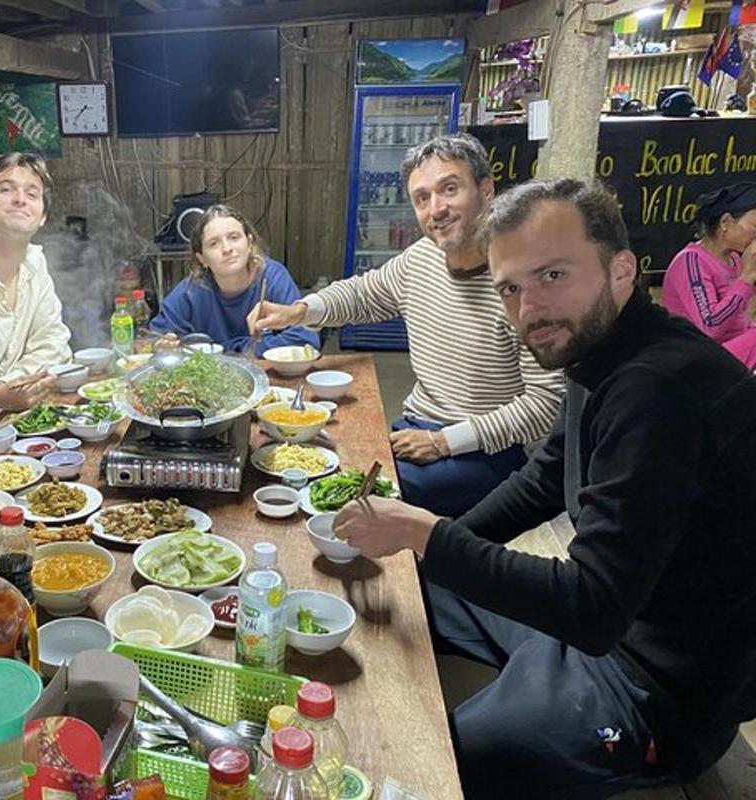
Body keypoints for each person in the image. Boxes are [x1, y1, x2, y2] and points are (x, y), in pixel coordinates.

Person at [334, 179, 756, 798]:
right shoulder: (603, 350)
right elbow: (544, 479)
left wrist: (428, 534)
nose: (529, 308)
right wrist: (434, 547)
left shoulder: (658, 390)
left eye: (552, 275)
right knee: (406, 586)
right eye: (510, 288)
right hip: (597, 629)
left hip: (654, 688)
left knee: (432, 765)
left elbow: (591, 608)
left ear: (621, 270)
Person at [250, 134, 564, 517]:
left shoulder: (524, 283)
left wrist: (444, 441)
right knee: (327, 453)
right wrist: (297, 311)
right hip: (418, 424)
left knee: (357, 496)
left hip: (491, 450)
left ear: (486, 190)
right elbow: (362, 294)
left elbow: (546, 404)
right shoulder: (422, 258)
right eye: (422, 198)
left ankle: (430, 552)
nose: (437, 209)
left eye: (450, 189)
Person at [0, 153, 72, 411]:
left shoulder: (35, 264)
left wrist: (9, 388)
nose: (20, 199)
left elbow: (53, 342)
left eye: (32, 194)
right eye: (6, 189)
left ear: (42, 216)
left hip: (11, 419)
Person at [149, 204, 319, 356]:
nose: (227, 248)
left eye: (234, 237)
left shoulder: (272, 278)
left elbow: (304, 339)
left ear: (249, 243)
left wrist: (232, 350)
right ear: (202, 259)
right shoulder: (190, 292)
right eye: (214, 243)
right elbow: (152, 338)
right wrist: (161, 345)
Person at [661, 182, 756, 369]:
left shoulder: (735, 259)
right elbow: (710, 327)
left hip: (726, 352)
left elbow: (739, 322)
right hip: (695, 357)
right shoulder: (690, 261)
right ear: (726, 222)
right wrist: (746, 277)